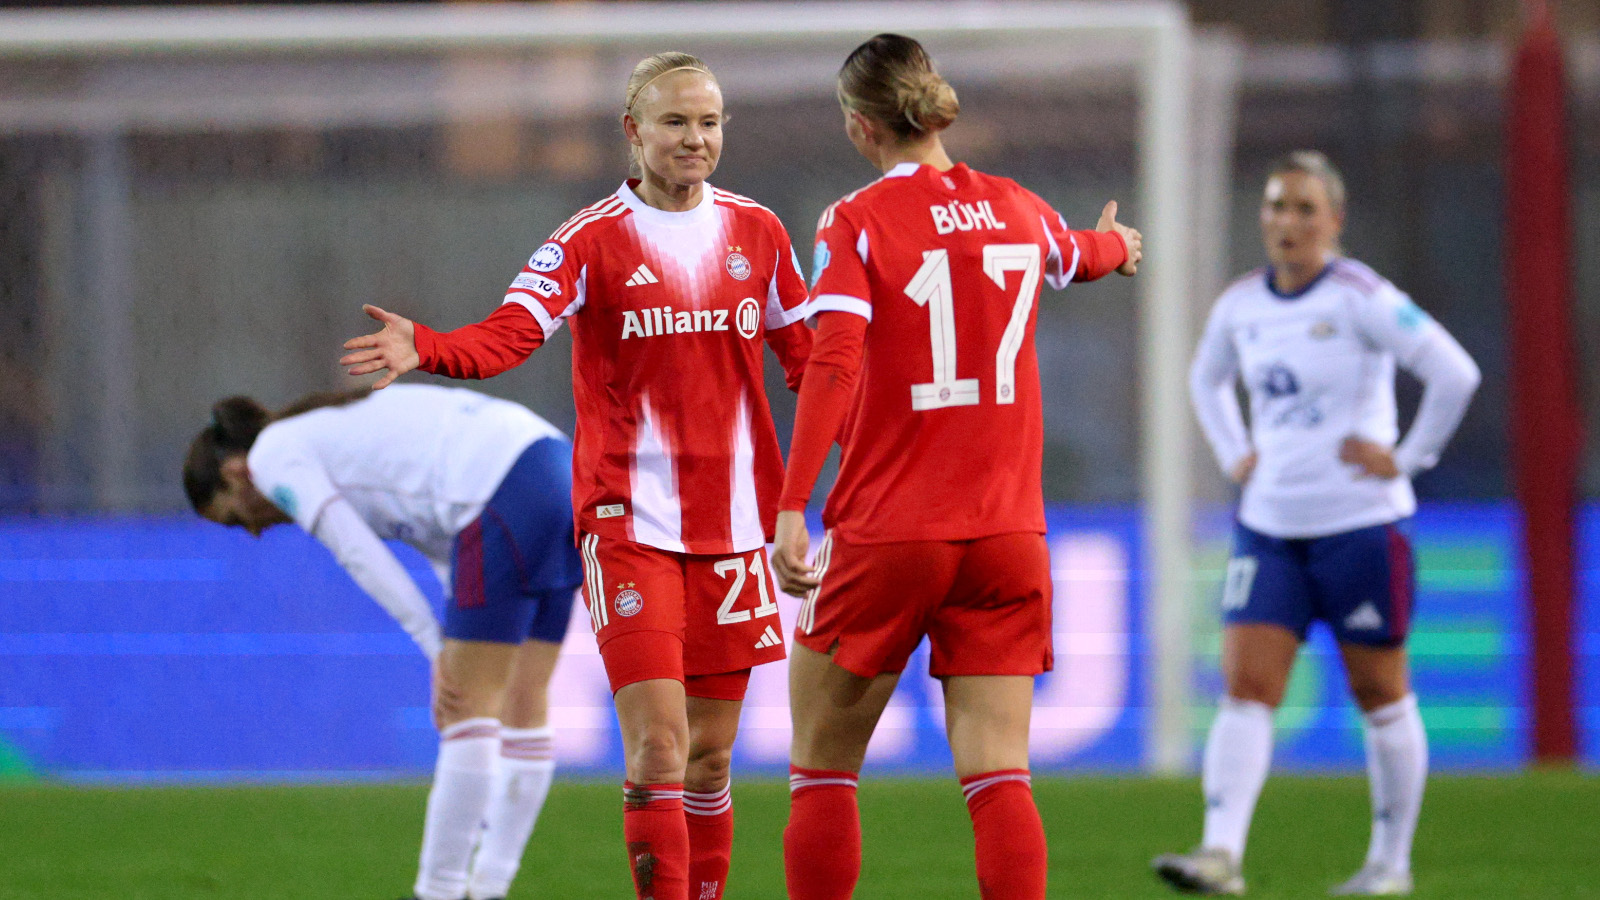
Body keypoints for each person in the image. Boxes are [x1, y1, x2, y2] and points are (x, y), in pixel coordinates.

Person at [338, 52, 812, 900]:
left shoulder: (759, 233)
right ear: (634, 132)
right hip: (628, 524)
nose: (694, 138)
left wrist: (837, 470)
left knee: (709, 759)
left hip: (737, 529)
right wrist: (432, 345)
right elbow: (511, 333)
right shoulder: (589, 240)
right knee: (660, 747)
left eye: (708, 122)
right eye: (674, 122)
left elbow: (809, 362)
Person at [770, 34, 1141, 900]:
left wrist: (794, 505)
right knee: (998, 775)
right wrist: (1119, 245)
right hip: (1007, 536)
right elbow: (1079, 254)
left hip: (891, 532)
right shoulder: (1017, 208)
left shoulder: (855, 221)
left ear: (862, 127)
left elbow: (833, 362)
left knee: (822, 764)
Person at [1152, 151, 1481, 897]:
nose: (1287, 222)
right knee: (1246, 686)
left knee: (1380, 692)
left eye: (1304, 208)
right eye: (1275, 206)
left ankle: (1390, 864)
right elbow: (1205, 380)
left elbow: (1455, 372)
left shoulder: (1363, 296)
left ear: (1335, 220)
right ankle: (1219, 854)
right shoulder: (1241, 303)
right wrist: (1236, 452)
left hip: (1361, 525)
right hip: (1269, 525)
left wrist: (1408, 457)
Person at [182, 383, 582, 900]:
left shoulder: (272, 455)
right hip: (560, 469)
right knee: (525, 707)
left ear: (235, 472)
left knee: (466, 711)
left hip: (504, 493)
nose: (254, 531)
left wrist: (437, 647)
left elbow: (356, 552)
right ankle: (489, 887)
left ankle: (437, 892)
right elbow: (446, 545)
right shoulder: (323, 433)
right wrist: (450, 634)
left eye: (236, 517)